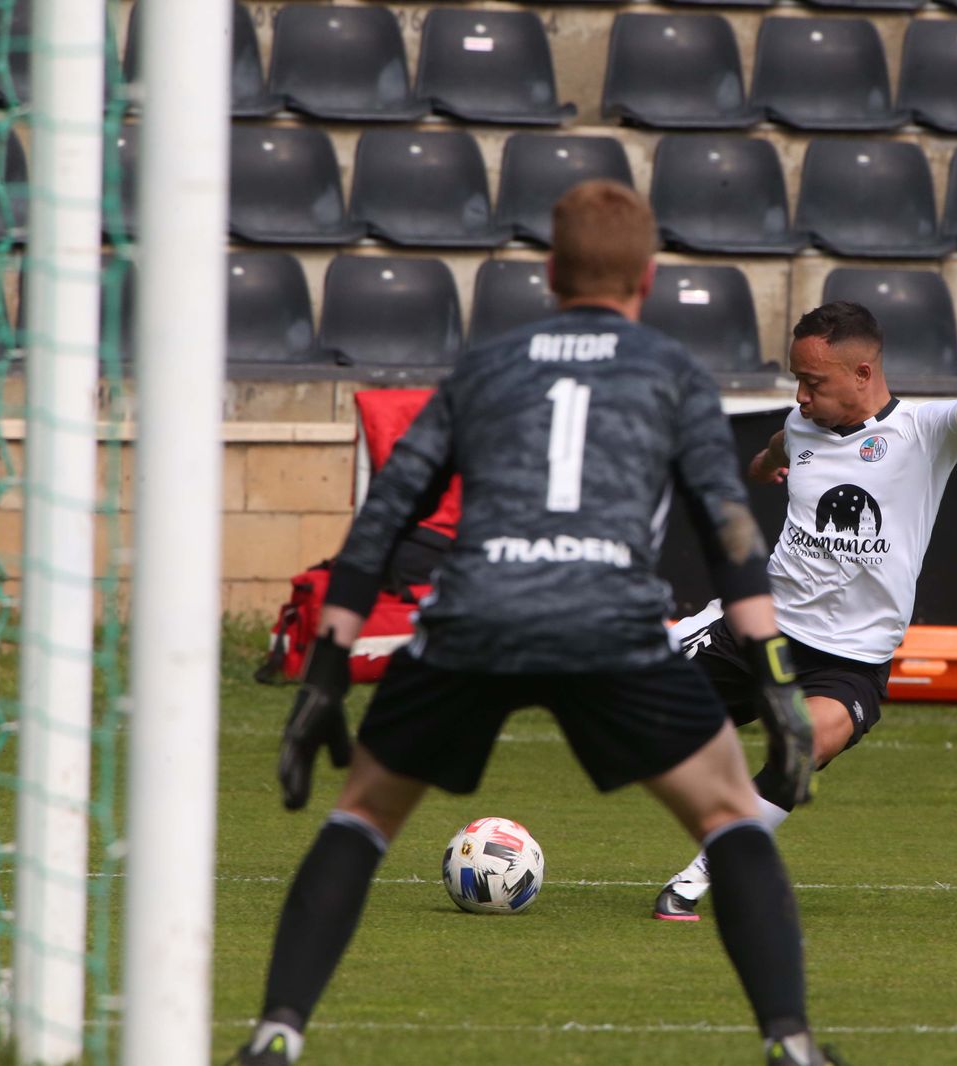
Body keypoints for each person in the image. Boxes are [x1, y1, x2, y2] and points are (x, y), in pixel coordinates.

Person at [232, 181, 838, 1066]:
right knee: (730, 822)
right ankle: (791, 1044)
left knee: (361, 816)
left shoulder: (486, 366)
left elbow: (385, 516)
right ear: (649, 278)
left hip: (478, 617)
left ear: (549, 272)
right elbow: (734, 541)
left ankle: (275, 1036)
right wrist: (779, 687)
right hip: (612, 625)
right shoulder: (672, 374)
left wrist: (326, 667)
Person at [651, 300, 957, 920]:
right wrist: (768, 464)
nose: (800, 396)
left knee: (805, 743)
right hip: (757, 629)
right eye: (797, 381)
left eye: (812, 382)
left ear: (862, 372)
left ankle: (700, 875)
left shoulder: (925, 434)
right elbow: (777, 445)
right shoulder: (801, 428)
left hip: (848, 662)